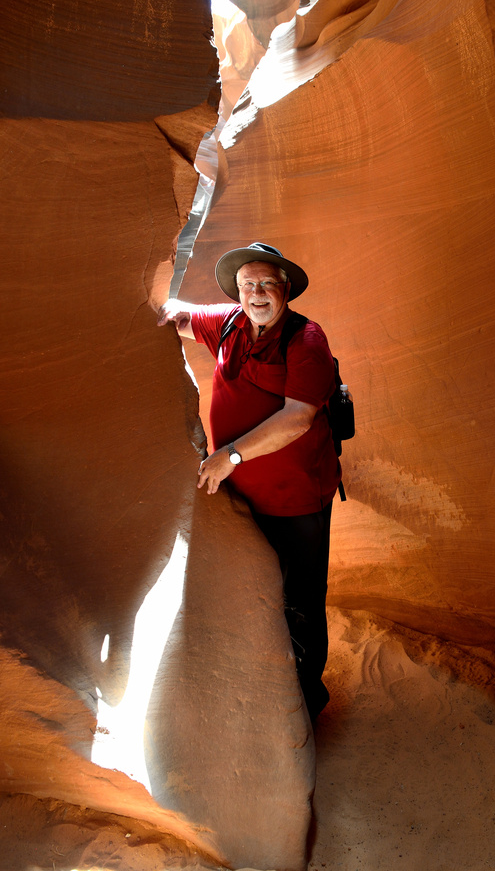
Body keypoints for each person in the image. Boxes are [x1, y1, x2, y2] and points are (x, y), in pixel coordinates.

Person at [157, 242, 339, 721]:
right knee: (256, 595)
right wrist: (162, 308)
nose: (256, 293)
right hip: (241, 496)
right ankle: (265, 692)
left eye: (266, 284)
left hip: (296, 500)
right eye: (247, 285)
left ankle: (304, 706)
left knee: (299, 602)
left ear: (285, 290)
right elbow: (178, 317)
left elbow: (298, 418)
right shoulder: (231, 323)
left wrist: (230, 456)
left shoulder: (306, 341)